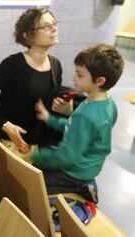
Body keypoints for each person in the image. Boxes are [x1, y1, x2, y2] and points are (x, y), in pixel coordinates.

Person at [33, 44, 124, 203]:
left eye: (80, 75)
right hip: (89, 165)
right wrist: (50, 119)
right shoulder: (109, 104)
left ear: (99, 81)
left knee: (33, 184)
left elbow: (67, 158)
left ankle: (80, 188)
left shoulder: (86, 115)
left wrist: (36, 155)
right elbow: (77, 127)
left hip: (74, 172)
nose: (74, 79)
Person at [0, 8, 71, 158]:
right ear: (28, 34)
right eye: (46, 26)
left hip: (36, 144)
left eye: (54, 23)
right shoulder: (12, 64)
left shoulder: (56, 65)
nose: (54, 28)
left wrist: (65, 109)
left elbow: (48, 106)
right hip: (8, 142)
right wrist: (6, 126)